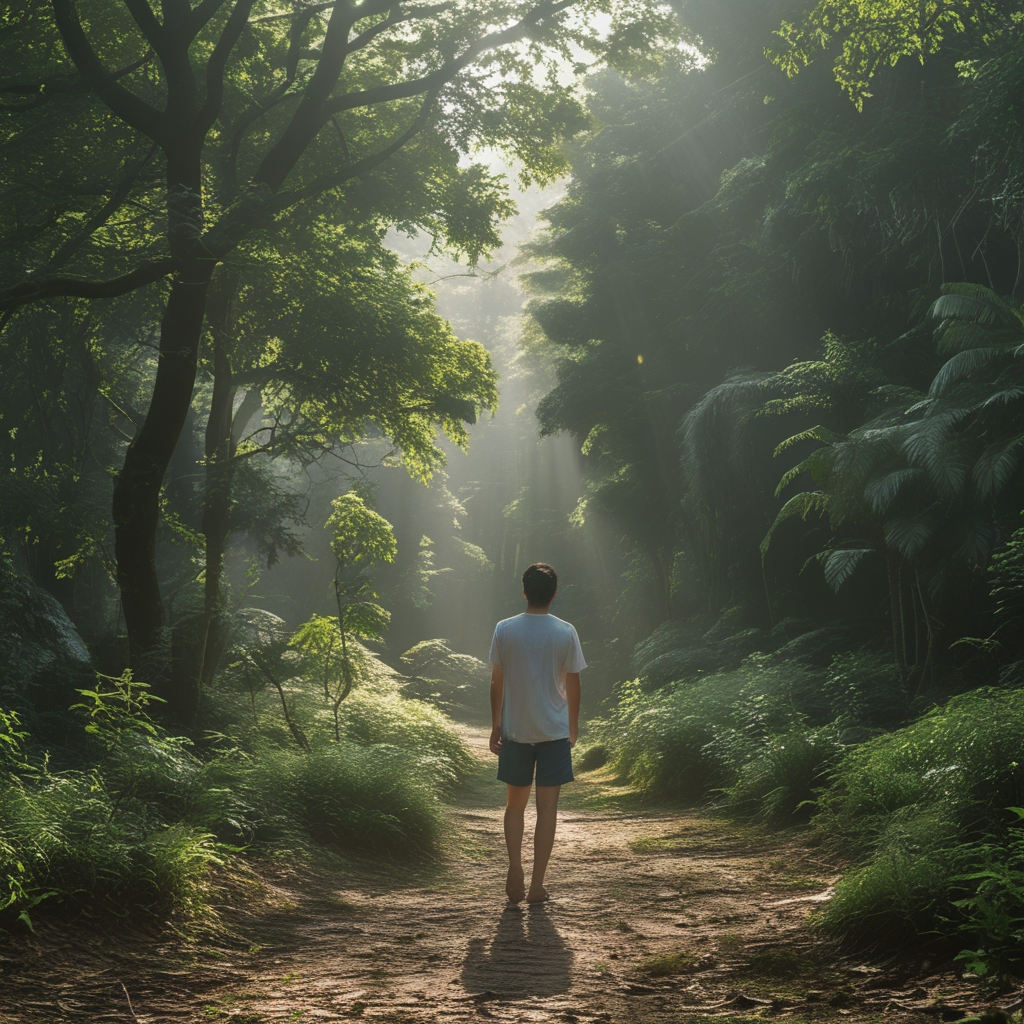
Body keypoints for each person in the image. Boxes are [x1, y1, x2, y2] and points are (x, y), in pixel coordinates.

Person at [488, 563, 585, 905]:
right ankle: (537, 886)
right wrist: (572, 727)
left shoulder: (505, 629)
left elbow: (496, 681)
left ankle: (515, 869)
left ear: (524, 591)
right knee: (547, 810)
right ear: (555, 593)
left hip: (516, 731)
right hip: (554, 733)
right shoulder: (565, 631)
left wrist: (496, 724)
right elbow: (573, 683)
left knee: (515, 807)